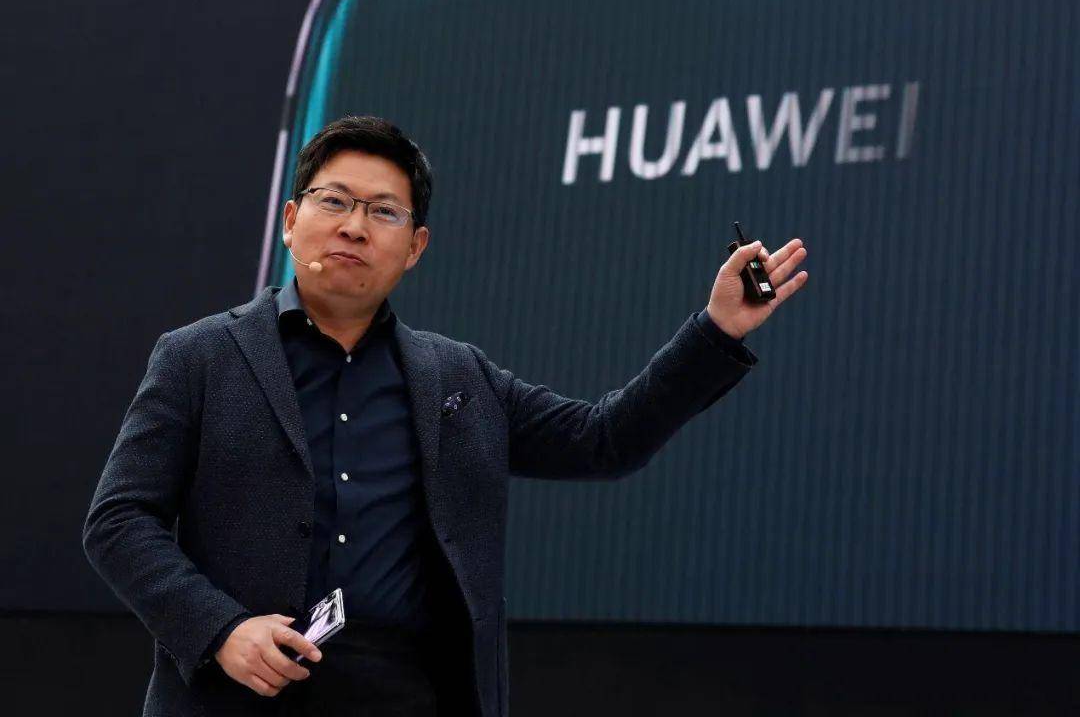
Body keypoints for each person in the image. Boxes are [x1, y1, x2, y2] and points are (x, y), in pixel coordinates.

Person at [82, 115, 808, 717]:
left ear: (415, 248)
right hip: (238, 691)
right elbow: (118, 520)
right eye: (334, 202)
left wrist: (716, 330)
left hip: (411, 693)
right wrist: (219, 629)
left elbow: (603, 440)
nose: (355, 227)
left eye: (383, 211)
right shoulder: (199, 357)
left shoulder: (457, 376)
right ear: (291, 221)